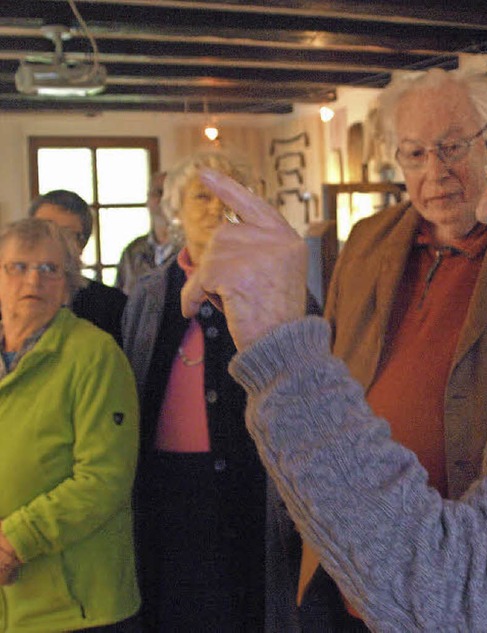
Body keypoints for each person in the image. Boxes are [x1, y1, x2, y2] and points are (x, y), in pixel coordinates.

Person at [182, 63, 487, 631]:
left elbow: (464, 597)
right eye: (414, 154)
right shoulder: (374, 241)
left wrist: (280, 348)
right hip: (368, 563)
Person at [297, 69, 487, 630]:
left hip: (469, 573)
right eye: (414, 153)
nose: (435, 173)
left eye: (453, 147)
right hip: (353, 557)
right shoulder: (366, 242)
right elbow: (332, 365)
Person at [122, 150, 320, 632]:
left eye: (226, 197)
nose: (213, 209)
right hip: (166, 488)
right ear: (176, 210)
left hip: (252, 484)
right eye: (200, 197)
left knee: (246, 605)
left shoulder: (281, 286)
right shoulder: (150, 293)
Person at [0, 218, 140, 632]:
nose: (34, 280)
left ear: (68, 286)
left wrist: (14, 542)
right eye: (18, 267)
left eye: (49, 269)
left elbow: (104, 478)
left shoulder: (94, 354)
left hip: (75, 606)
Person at [28, 189, 127, 346]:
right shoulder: (9, 298)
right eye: (43, 229)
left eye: (65, 235)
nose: (51, 242)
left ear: (82, 245)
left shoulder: (112, 307)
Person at [115, 172, 178, 296]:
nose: (163, 199)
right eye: (158, 192)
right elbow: (119, 301)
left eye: (170, 194)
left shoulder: (192, 249)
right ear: (148, 199)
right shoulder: (132, 251)